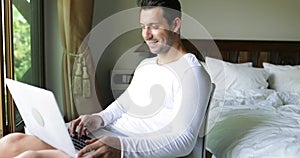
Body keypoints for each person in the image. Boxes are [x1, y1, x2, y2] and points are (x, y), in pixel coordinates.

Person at [0, 0, 212, 157]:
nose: (146, 34)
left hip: (126, 149)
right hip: (104, 136)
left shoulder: (191, 73)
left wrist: (121, 147)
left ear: (175, 25)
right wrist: (97, 118)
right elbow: (121, 107)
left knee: (30, 157)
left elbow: (183, 141)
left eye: (154, 26)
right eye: (143, 26)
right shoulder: (147, 65)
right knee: (12, 141)